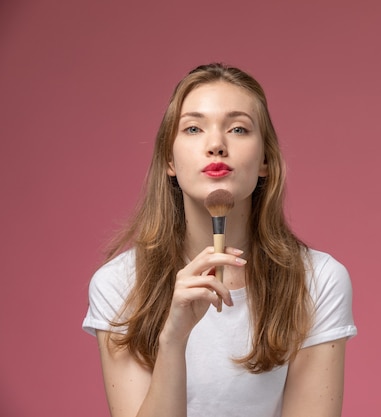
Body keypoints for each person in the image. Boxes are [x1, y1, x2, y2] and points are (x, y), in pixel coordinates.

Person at [82, 63, 357, 417]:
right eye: (194, 128)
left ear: (265, 162)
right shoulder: (119, 285)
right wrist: (173, 339)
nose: (216, 145)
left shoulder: (318, 281)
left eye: (239, 128)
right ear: (169, 159)